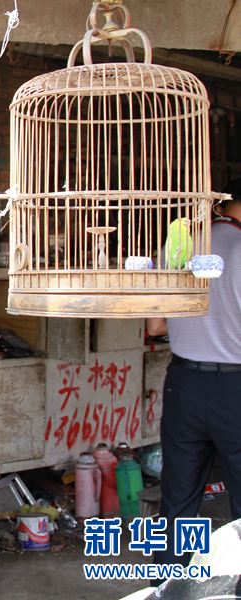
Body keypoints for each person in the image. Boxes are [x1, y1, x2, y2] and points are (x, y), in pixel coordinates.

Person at [146, 178, 241, 580]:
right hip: (235, 389)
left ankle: (166, 584)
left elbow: (154, 325)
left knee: (178, 495)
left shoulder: (178, 246)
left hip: (183, 384)